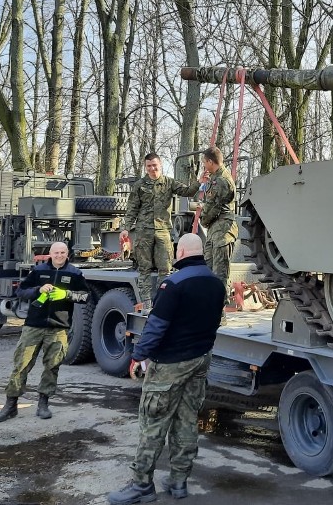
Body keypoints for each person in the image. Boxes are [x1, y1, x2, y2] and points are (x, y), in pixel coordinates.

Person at [107, 233, 225, 504]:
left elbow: (156, 326)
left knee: (153, 424)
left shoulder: (172, 284)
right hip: (199, 360)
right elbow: (214, 323)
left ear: (181, 252)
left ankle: (141, 486)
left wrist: (138, 355)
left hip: (170, 365)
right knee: (186, 422)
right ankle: (179, 481)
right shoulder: (217, 284)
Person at [0, 241, 89, 422]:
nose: (59, 256)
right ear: (50, 253)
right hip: (33, 326)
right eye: (56, 252)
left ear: (67, 254)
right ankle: (10, 405)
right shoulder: (38, 271)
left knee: (52, 367)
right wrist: (38, 290)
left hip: (58, 327)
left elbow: (85, 296)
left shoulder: (75, 273)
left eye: (63, 252)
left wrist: (66, 295)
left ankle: (43, 404)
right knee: (21, 365)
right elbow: (21, 291)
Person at [120, 153, 196, 312]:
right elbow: (132, 208)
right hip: (144, 231)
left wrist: (200, 181)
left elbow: (187, 191)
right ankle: (146, 304)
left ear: (160, 165)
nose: (152, 168)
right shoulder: (140, 185)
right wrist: (126, 228)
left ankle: (163, 302)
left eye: (154, 165)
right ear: (145, 167)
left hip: (162, 230)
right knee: (144, 269)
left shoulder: (168, 183)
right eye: (149, 166)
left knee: (165, 269)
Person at [190, 146, 238, 304]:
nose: (204, 165)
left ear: (210, 161)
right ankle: (209, 308)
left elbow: (212, 209)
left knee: (219, 274)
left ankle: (219, 312)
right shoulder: (215, 178)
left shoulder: (221, 181)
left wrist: (203, 219)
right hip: (215, 231)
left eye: (204, 162)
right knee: (209, 270)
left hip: (223, 231)